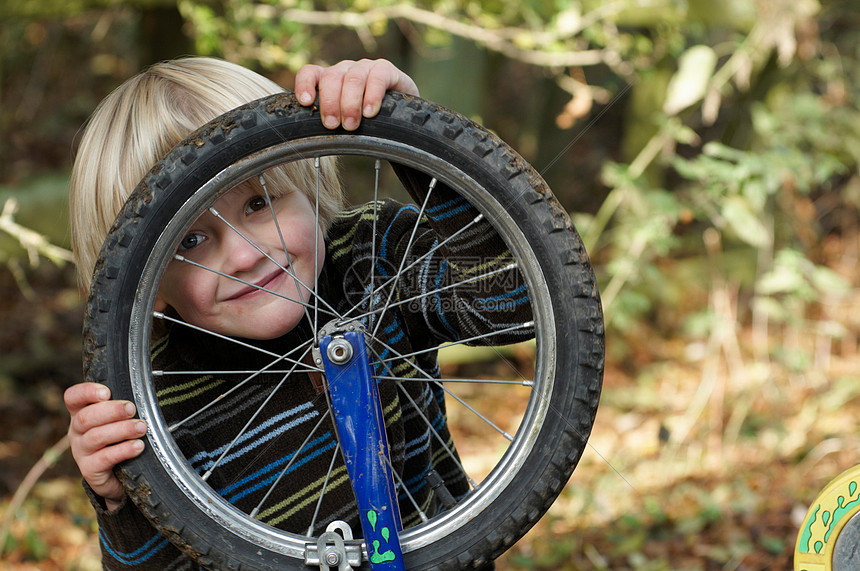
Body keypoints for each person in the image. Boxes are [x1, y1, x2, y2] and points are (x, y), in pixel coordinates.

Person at [64, 56, 531, 569]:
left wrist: (418, 140)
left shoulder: (373, 261)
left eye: (260, 203)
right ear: (141, 283)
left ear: (309, 182)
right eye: (192, 240)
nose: (245, 255)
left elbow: (512, 305)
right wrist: (120, 500)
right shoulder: (153, 401)